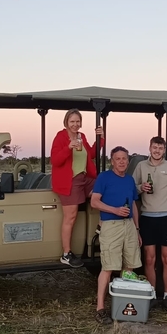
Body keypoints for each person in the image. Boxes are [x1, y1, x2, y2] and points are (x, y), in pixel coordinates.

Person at [90, 146, 142, 325]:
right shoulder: (104, 177)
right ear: (112, 161)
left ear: (128, 161)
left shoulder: (129, 180)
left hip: (128, 226)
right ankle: (100, 308)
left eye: (124, 159)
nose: (121, 161)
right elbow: (94, 201)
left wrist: (137, 229)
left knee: (129, 266)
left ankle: (123, 305)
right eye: (118, 158)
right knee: (108, 267)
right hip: (111, 226)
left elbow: (133, 206)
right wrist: (115, 210)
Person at [132, 136, 167, 311]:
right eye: (155, 147)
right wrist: (140, 188)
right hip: (147, 217)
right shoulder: (141, 166)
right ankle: (152, 294)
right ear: (150, 148)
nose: (157, 151)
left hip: (166, 218)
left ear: (164, 149)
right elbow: (133, 188)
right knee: (149, 259)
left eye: (160, 148)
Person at [50, 109, 104, 268]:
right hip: (70, 181)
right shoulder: (60, 137)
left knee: (106, 191)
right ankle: (66, 254)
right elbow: (55, 161)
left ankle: (101, 227)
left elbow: (91, 154)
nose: (75, 124)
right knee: (71, 217)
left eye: (78, 121)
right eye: (72, 121)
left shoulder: (82, 136)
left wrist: (100, 137)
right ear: (66, 122)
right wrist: (68, 147)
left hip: (85, 178)